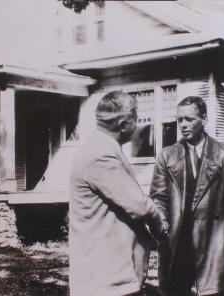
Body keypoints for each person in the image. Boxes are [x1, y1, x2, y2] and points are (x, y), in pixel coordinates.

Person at [150, 96, 224, 296]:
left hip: (213, 249)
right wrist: (162, 223)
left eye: (189, 119)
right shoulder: (166, 156)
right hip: (176, 249)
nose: (183, 125)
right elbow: (158, 198)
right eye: (179, 120)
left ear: (204, 119)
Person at [69, 91, 167, 296]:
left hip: (107, 275)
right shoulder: (100, 154)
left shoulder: (101, 146)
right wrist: (160, 228)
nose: (137, 124)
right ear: (123, 125)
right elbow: (139, 206)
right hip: (106, 280)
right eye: (136, 118)